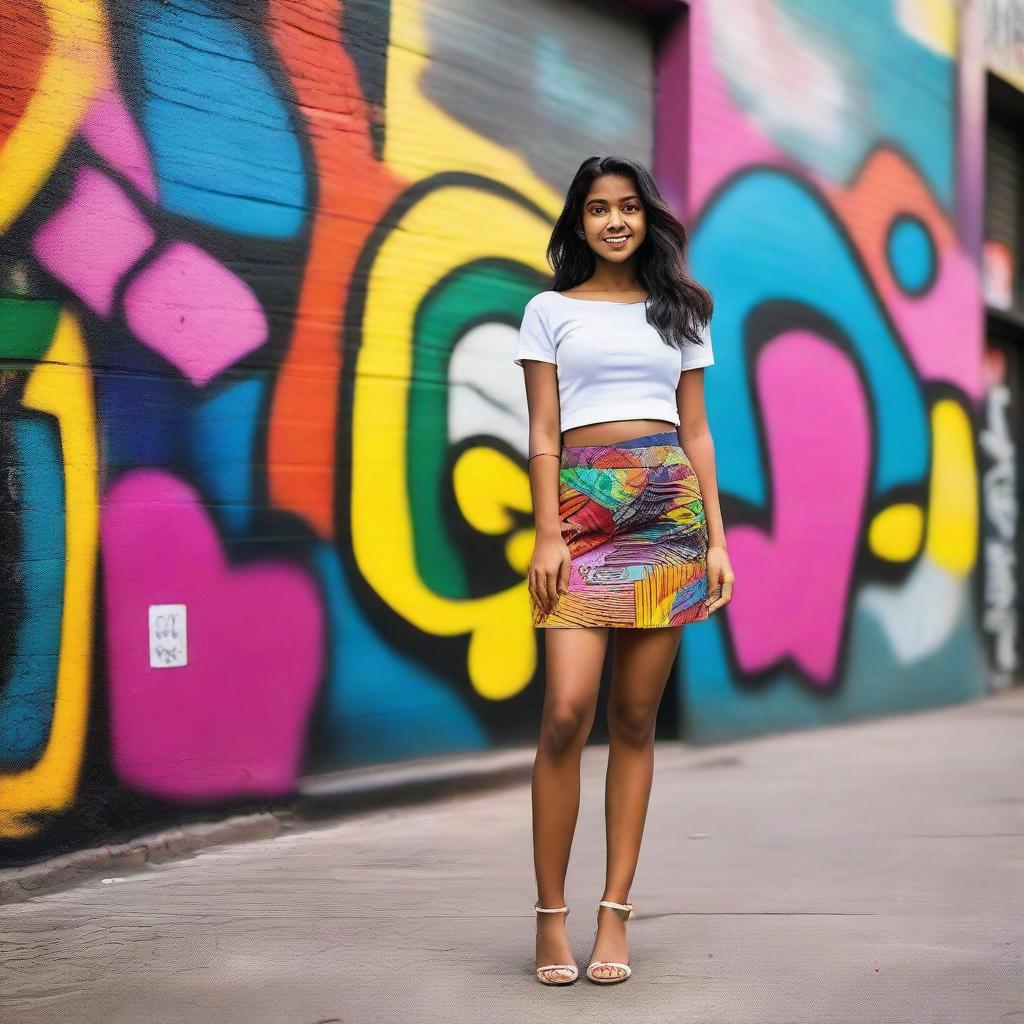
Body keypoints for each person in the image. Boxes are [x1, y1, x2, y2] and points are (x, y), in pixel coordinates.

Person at [515, 156, 735, 986]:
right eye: (598, 209)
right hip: (580, 515)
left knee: (636, 718)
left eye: (629, 208)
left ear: (648, 219)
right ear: (578, 223)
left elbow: (698, 432)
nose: (614, 221)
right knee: (567, 712)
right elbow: (541, 430)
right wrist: (548, 534)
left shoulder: (682, 313)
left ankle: (615, 913)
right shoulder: (547, 312)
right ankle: (548, 915)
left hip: (667, 511)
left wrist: (716, 539)